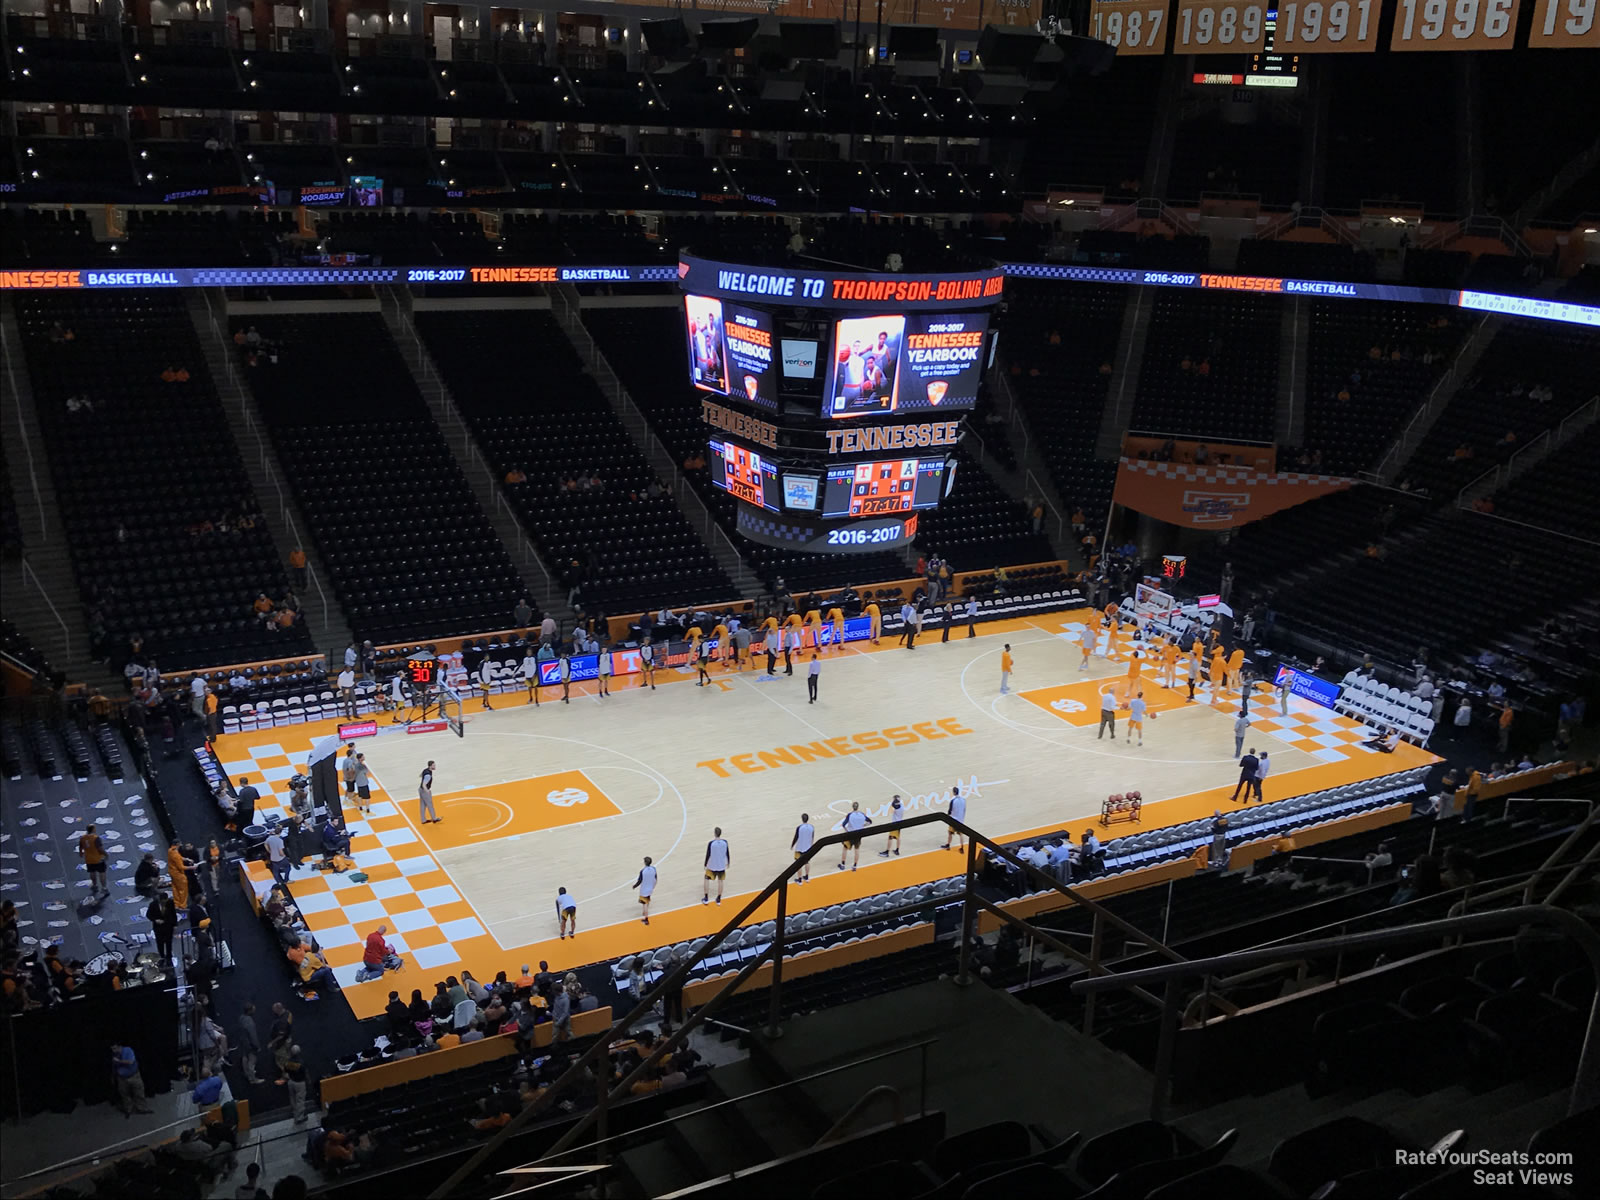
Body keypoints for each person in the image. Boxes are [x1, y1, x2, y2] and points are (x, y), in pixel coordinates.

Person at [111, 1041, 153, 1116]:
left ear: (119, 1046)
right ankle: (128, 1109)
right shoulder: (114, 1055)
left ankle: (142, 1108)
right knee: (124, 1094)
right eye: (112, 1049)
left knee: (139, 1093)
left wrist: (119, 1061)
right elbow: (114, 1067)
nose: (113, 1051)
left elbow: (130, 1062)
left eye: (115, 1048)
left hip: (134, 1076)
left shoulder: (128, 1050)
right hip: (122, 1078)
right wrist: (114, 1077)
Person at [78, 823, 109, 898]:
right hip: (98, 859)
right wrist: (106, 854)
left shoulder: (83, 838)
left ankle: (94, 885)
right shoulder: (96, 838)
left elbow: (80, 847)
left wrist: (81, 853)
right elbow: (100, 849)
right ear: (93, 829)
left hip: (89, 859)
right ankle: (104, 888)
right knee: (102, 873)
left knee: (92, 872)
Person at [839, 802, 871, 871]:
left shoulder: (850, 815)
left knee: (845, 848)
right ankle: (855, 866)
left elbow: (844, 825)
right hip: (858, 834)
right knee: (857, 850)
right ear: (858, 807)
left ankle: (843, 864)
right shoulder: (862, 814)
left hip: (850, 834)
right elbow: (870, 822)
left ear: (852, 807)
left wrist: (847, 831)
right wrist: (863, 825)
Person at [147, 890, 178, 961]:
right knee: (160, 942)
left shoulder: (170, 902)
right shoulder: (153, 905)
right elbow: (148, 915)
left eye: (166, 901)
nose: (165, 902)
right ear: (160, 900)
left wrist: (175, 924)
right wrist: (155, 920)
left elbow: (173, 913)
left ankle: (169, 955)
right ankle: (161, 956)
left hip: (168, 925)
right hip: (158, 927)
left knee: (169, 942)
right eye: (164, 901)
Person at [237, 1002, 264, 1084]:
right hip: (250, 1045)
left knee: (244, 1058)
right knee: (252, 1061)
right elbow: (253, 1036)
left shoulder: (241, 1017)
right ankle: (252, 1079)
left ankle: (247, 1073)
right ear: (249, 1011)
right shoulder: (249, 1022)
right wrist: (257, 1046)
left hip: (243, 1042)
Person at [703, 828, 730, 905]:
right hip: (721, 865)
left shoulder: (711, 843)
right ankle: (718, 899)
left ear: (714, 833)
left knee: (706, 879)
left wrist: (705, 864)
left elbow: (708, 855)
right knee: (720, 881)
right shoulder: (725, 842)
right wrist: (728, 863)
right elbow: (727, 853)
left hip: (712, 865)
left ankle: (706, 898)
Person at [633, 855, 657, 925]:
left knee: (644, 904)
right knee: (647, 900)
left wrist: (634, 886)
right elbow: (655, 878)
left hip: (644, 890)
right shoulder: (653, 869)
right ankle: (644, 912)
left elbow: (639, 881)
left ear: (645, 863)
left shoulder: (642, 871)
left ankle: (646, 919)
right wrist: (653, 886)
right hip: (650, 888)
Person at [791, 813, 816, 882]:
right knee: (807, 862)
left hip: (800, 848)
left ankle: (799, 880)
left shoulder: (799, 827)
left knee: (798, 863)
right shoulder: (812, 827)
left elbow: (796, 837)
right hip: (808, 848)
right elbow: (812, 837)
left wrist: (792, 845)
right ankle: (807, 877)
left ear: (802, 819)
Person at [942, 785, 967, 851]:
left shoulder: (953, 800)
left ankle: (948, 845)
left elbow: (950, 810)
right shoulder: (963, 800)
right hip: (960, 820)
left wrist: (948, 816)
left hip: (954, 819)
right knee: (961, 834)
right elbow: (964, 809)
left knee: (950, 832)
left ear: (954, 792)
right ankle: (962, 847)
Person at [418, 760, 439, 824]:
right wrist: (427, 791)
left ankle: (423, 820)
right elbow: (424, 784)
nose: (435, 766)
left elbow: (420, 775)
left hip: (420, 790)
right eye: (433, 765)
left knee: (422, 805)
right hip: (424, 791)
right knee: (430, 805)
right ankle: (434, 818)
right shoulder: (428, 775)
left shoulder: (425, 770)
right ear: (430, 766)